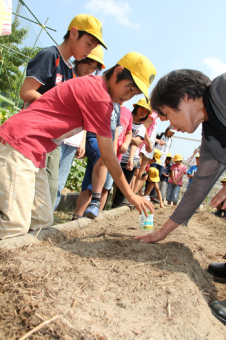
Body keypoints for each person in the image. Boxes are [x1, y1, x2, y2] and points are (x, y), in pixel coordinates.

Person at [0, 51, 157, 240]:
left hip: (36, 151)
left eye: (135, 93)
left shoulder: (100, 90)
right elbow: (108, 155)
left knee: (41, 221)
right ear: (118, 72)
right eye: (129, 89)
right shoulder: (99, 96)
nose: (129, 97)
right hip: (20, 143)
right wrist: (131, 196)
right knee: (14, 227)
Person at [136, 69, 226, 325]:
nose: (167, 123)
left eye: (165, 113)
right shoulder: (211, 136)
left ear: (185, 97)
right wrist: (163, 231)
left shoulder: (223, 88)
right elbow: (198, 187)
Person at [20, 14, 107, 208]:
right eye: (88, 44)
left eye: (93, 48)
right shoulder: (51, 56)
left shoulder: (70, 70)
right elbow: (26, 92)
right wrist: (55, 108)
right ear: (74, 33)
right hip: (31, 135)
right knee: (24, 189)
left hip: (51, 139)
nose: (89, 50)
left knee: (50, 190)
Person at [54, 45, 106, 211]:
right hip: (57, 136)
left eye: (93, 69)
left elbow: (85, 117)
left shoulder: (88, 86)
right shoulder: (68, 76)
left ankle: (45, 220)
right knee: (47, 179)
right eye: (88, 66)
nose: (90, 71)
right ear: (80, 60)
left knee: (59, 183)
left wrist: (82, 141)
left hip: (74, 140)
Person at [73, 103, 120, 219]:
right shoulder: (100, 95)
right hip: (92, 137)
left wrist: (113, 152)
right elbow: (86, 116)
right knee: (102, 158)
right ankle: (95, 202)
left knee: (90, 182)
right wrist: (82, 141)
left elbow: (116, 131)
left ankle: (77, 216)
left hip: (107, 143)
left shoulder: (117, 106)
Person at [111, 98, 151, 208]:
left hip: (129, 159)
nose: (143, 111)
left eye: (146, 111)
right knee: (108, 184)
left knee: (122, 188)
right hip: (115, 154)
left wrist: (131, 158)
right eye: (142, 108)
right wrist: (132, 138)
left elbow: (136, 143)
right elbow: (123, 134)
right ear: (136, 107)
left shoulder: (142, 128)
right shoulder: (125, 116)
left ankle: (114, 209)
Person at [149, 125, 176, 201]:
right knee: (151, 176)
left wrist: (164, 162)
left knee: (157, 178)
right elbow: (151, 141)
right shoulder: (160, 135)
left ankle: (152, 196)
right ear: (167, 129)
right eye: (170, 131)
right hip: (154, 159)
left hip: (161, 161)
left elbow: (166, 151)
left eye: (173, 133)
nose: (171, 133)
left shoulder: (170, 140)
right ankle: (147, 194)